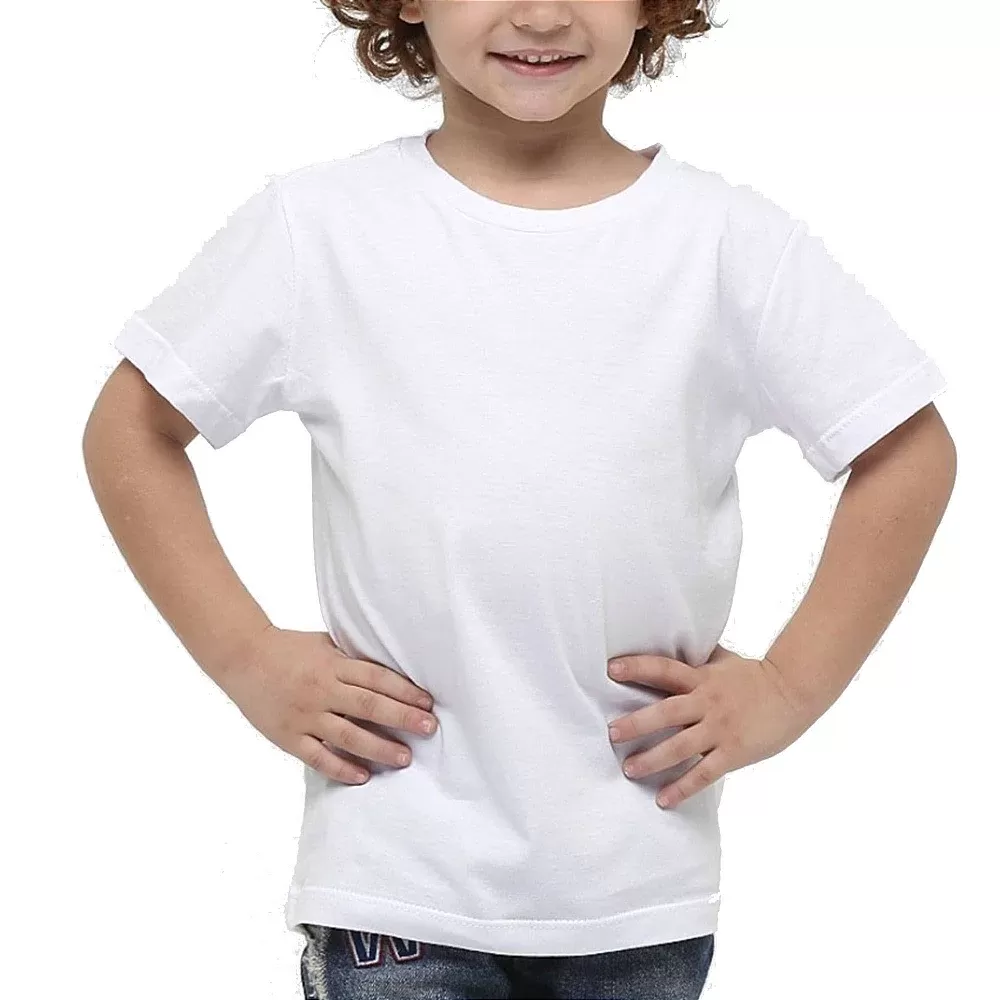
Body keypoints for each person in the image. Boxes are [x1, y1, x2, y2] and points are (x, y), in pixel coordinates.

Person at [82, 2, 957, 998]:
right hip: (395, 878)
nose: (541, 14)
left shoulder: (724, 242)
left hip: (636, 885)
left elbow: (908, 449)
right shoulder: (318, 227)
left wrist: (790, 689)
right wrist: (247, 658)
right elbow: (130, 430)